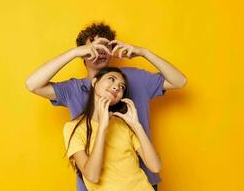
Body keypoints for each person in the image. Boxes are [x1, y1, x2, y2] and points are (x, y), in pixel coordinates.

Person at [26, 22, 187, 191]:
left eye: (105, 46)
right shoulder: (73, 90)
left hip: (141, 180)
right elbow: (32, 84)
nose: (100, 51)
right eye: (94, 46)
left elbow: (180, 81)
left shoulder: (132, 79)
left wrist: (143, 52)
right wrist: (74, 53)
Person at [63, 67, 161, 191]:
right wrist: (102, 127)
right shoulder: (73, 128)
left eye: (122, 87)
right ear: (94, 83)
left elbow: (155, 167)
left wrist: (137, 126)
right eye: (111, 79)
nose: (117, 87)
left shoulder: (122, 124)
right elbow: (92, 176)